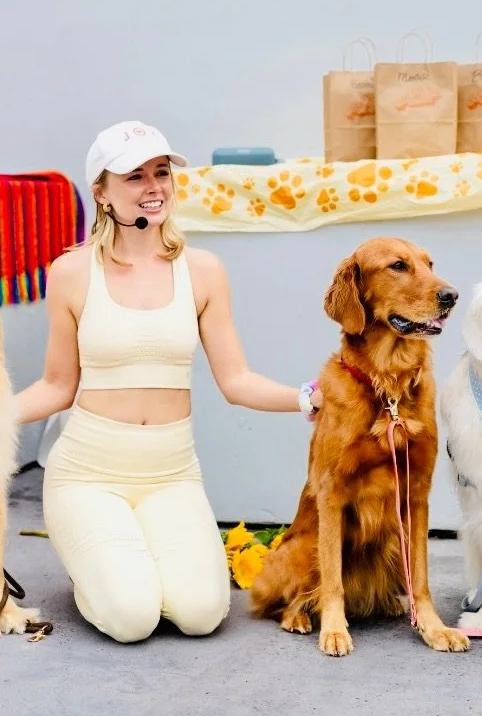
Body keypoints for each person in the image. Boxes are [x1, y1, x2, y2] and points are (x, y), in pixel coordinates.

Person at [16, 120, 322, 644]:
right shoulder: (70, 273)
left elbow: (237, 379)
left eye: (161, 172)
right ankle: (95, 559)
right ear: (102, 193)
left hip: (170, 474)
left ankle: (120, 557)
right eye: (134, 176)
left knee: (202, 615)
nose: (153, 186)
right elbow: (56, 386)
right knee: (133, 619)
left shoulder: (202, 271)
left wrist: (305, 398)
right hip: (89, 474)